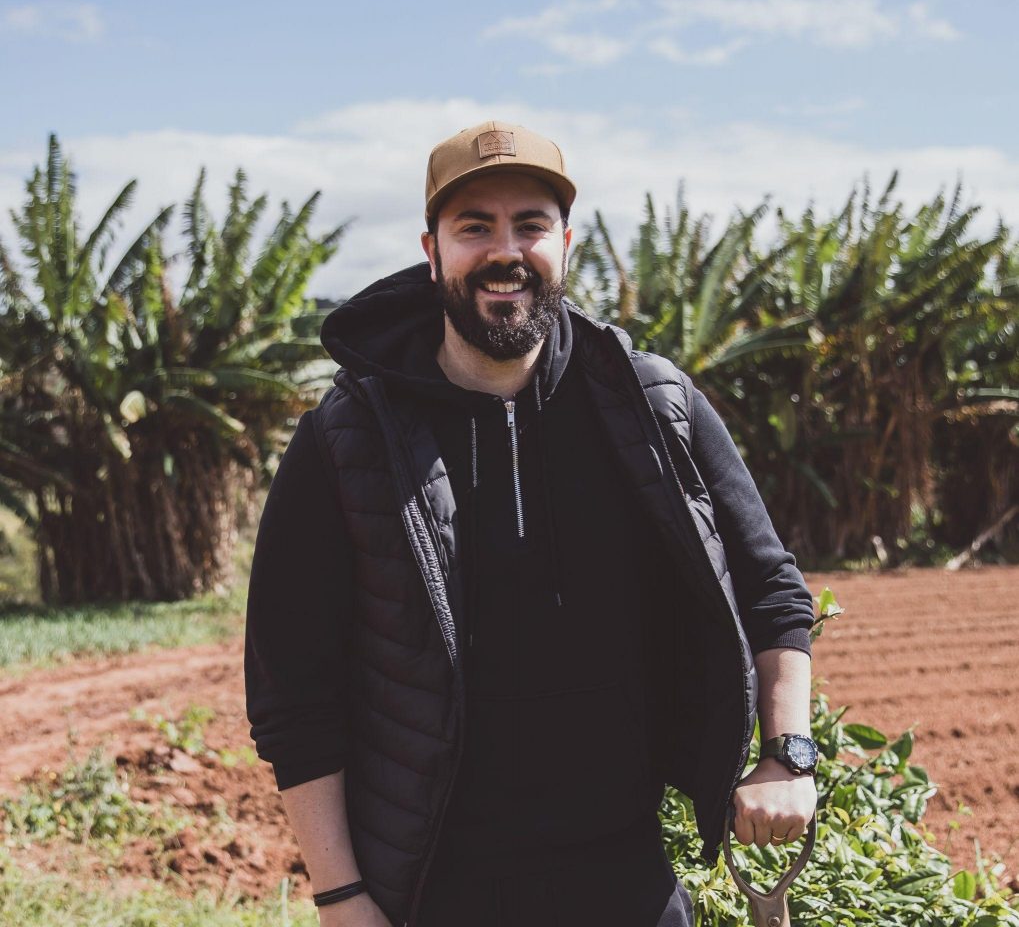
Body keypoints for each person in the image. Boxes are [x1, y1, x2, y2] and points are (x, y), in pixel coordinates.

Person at [244, 120, 819, 927]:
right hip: (436, 889)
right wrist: (341, 897)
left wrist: (787, 754)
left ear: (565, 244)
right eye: (474, 227)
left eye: (530, 225)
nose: (504, 251)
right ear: (432, 250)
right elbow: (292, 689)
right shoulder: (349, 439)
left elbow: (770, 589)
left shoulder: (652, 408)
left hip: (626, 875)